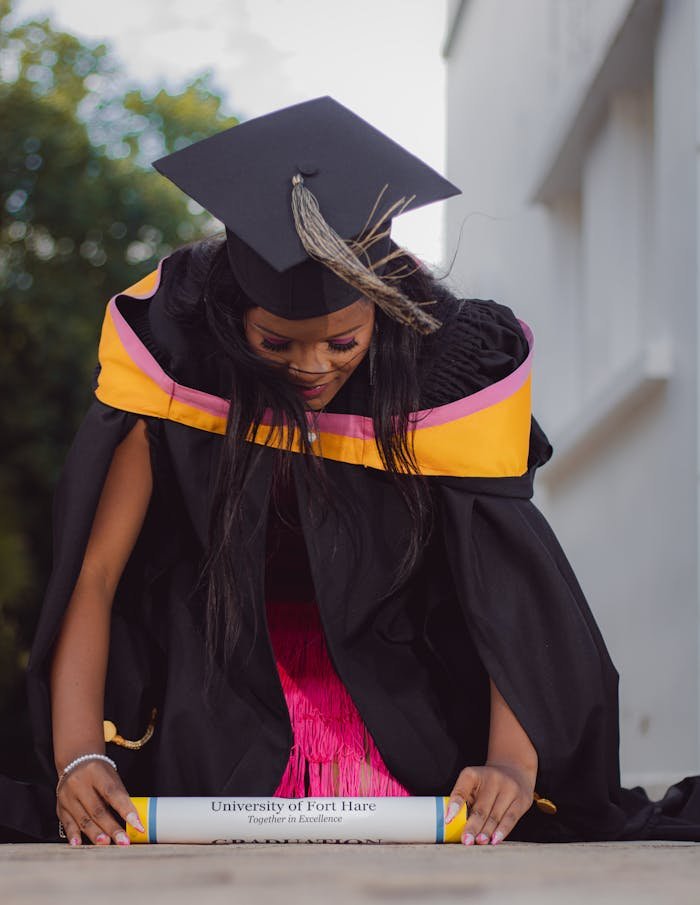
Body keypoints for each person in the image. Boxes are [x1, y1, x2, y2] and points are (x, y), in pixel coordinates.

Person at [3, 96, 699, 846]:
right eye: (276, 343)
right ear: (237, 319)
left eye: (343, 342)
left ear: (381, 314)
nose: (312, 366)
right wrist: (80, 756)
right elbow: (96, 572)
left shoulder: (444, 385)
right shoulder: (175, 373)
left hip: (396, 678)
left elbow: (504, 589)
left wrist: (510, 760)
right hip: (220, 674)